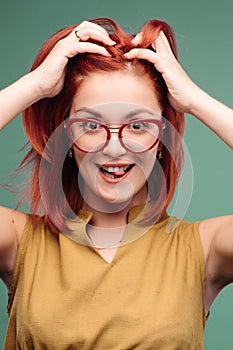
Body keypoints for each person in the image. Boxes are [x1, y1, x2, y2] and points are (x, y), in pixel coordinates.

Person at [0, 17, 232, 349]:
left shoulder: (205, 250)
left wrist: (195, 100)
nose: (113, 147)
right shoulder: (20, 242)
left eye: (138, 126)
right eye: (91, 125)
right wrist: (35, 85)